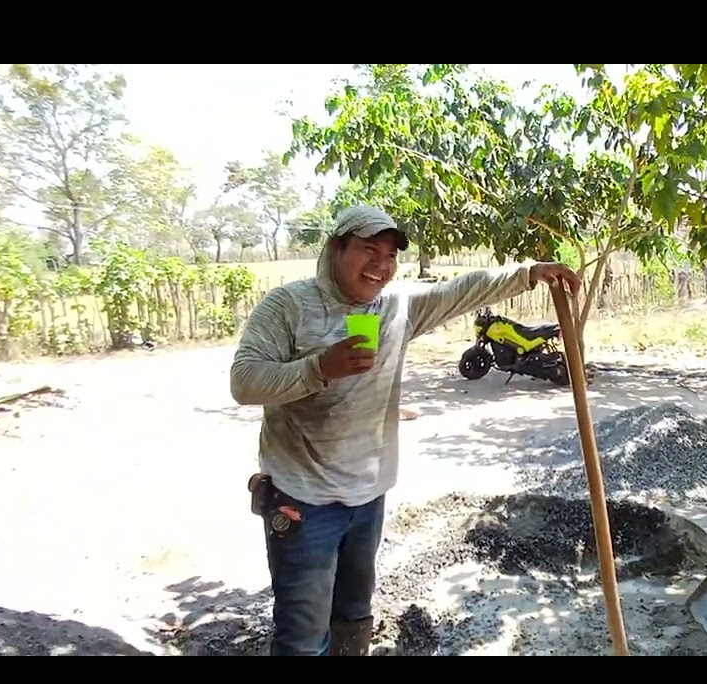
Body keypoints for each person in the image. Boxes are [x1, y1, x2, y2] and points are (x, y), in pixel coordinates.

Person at [229, 205, 581, 655]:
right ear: (336, 249)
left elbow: (465, 290)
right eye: (367, 249)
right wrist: (320, 367)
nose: (380, 264)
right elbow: (245, 382)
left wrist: (531, 272)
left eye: (390, 254)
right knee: (301, 636)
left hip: (368, 495)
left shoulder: (396, 308)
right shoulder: (288, 306)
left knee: (354, 613)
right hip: (303, 500)